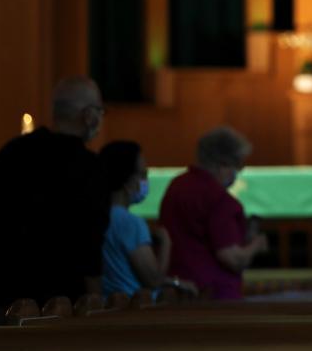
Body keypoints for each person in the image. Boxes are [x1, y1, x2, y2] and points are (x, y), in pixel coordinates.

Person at [0, 77, 110, 308]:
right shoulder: (90, 168)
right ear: (88, 115)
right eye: (100, 110)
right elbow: (90, 244)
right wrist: (96, 302)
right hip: (65, 301)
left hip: (7, 294)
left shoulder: (12, 152)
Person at [158, 126, 268, 300]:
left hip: (176, 289)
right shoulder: (220, 199)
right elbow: (232, 259)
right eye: (237, 165)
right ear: (222, 164)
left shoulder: (176, 185)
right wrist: (256, 245)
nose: (237, 173)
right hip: (213, 295)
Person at [100, 141, 196, 298]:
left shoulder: (98, 216)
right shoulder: (130, 222)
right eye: (143, 174)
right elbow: (153, 280)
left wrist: (174, 282)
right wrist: (166, 241)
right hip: (132, 309)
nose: (145, 180)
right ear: (127, 179)